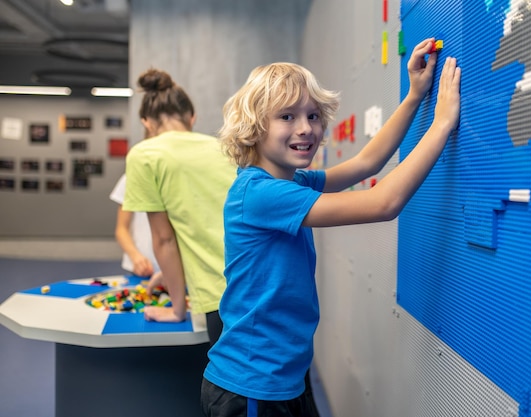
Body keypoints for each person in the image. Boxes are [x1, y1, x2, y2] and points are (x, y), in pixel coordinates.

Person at [201, 38, 461, 416]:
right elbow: (383, 203)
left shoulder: (293, 182)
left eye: (313, 116)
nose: (306, 128)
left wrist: (414, 96)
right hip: (252, 387)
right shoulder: (260, 195)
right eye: (287, 116)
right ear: (255, 126)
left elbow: (367, 163)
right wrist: (441, 124)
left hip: (282, 378)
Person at [122, 68, 237, 348]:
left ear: (146, 122)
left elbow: (164, 239)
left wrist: (177, 309)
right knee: (291, 389)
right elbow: (214, 222)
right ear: (192, 116)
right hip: (265, 281)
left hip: (220, 294)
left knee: (230, 391)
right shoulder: (226, 148)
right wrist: (175, 273)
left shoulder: (145, 154)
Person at [110, 173, 160, 278]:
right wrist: (136, 257)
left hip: (180, 270)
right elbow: (121, 229)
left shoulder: (181, 177)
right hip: (144, 269)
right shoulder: (132, 177)